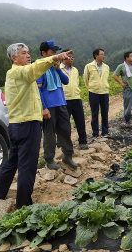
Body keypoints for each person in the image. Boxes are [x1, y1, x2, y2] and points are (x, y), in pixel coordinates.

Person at [0, 43, 72, 209]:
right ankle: (24, 206)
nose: (28, 55)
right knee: (28, 167)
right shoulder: (19, 71)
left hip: (17, 125)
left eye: (28, 52)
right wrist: (54, 58)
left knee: (13, 161)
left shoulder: (19, 74)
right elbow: (33, 70)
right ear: (14, 58)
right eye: (23, 53)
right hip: (27, 125)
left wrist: (41, 109)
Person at [37, 40, 78, 170]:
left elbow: (65, 81)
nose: (55, 55)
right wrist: (44, 108)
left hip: (61, 103)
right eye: (52, 52)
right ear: (44, 53)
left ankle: (67, 156)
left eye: (56, 52)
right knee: (49, 134)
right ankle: (49, 159)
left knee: (65, 130)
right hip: (49, 106)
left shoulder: (55, 67)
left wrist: (58, 69)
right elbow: (38, 89)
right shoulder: (39, 68)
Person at [59, 49, 89, 150]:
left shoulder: (75, 70)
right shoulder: (58, 68)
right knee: (63, 123)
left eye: (72, 56)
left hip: (76, 98)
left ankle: (83, 141)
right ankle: (61, 143)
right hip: (64, 99)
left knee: (80, 121)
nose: (72, 58)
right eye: (69, 55)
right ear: (63, 57)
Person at [83, 48, 110, 141]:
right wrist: (91, 87)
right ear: (96, 56)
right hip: (94, 92)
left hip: (105, 92)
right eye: (102, 54)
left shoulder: (106, 67)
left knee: (105, 113)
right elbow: (85, 79)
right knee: (94, 113)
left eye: (104, 54)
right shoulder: (89, 66)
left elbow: (106, 79)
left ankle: (105, 132)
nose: (104, 56)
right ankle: (95, 134)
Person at [112, 52, 132, 127]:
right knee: (128, 106)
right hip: (127, 90)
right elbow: (114, 75)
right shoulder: (121, 66)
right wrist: (121, 83)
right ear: (126, 58)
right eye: (131, 56)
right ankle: (127, 122)